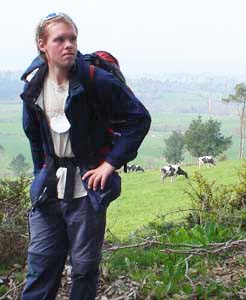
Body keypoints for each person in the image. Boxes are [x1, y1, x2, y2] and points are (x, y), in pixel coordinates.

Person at [20, 12, 151, 300]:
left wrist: (110, 164)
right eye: (60, 39)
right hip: (49, 189)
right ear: (42, 44)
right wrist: (40, 173)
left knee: (83, 268)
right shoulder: (33, 86)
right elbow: (34, 136)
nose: (69, 45)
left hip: (87, 189)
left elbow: (139, 119)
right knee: (40, 266)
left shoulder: (95, 80)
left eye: (73, 39)